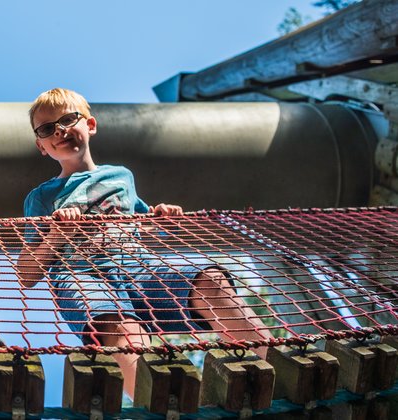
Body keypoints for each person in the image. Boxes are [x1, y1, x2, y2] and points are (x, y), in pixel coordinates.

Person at [16, 87, 271, 395]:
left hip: (138, 268)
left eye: (68, 119)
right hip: (83, 276)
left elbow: (140, 225)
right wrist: (59, 233)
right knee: (123, 329)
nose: (60, 130)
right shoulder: (42, 197)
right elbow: (27, 273)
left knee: (213, 281)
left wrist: (160, 219)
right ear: (41, 145)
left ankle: (270, 368)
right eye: (47, 128)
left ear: (91, 125)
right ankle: (157, 403)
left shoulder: (120, 177)